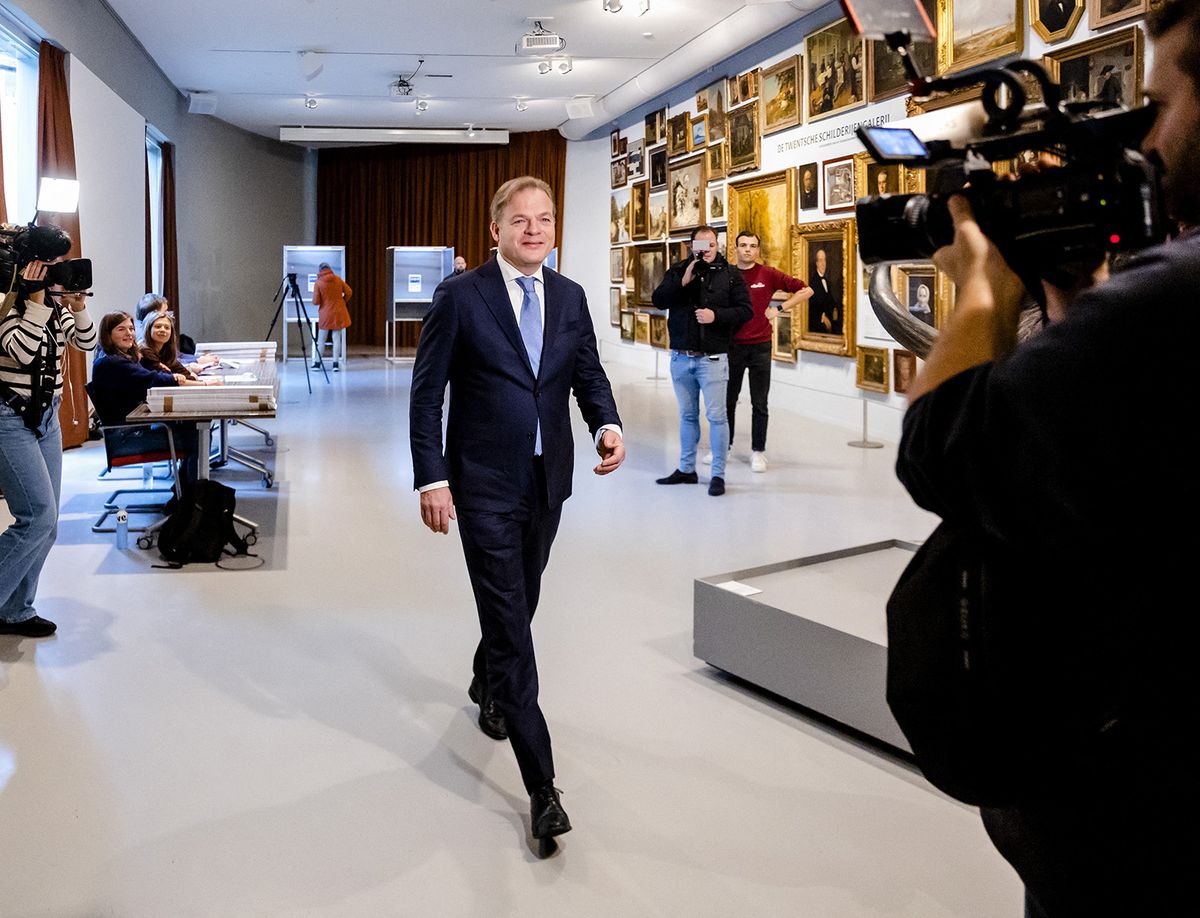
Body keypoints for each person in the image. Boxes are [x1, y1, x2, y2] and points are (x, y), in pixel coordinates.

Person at [895, 3, 1199, 913]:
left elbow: (939, 445)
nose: (1158, 133)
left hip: (1147, 828)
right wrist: (1075, 296)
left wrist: (984, 282)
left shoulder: (1178, 300)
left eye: (1166, 100)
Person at [409, 176, 624, 850]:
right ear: (495, 228)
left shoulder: (569, 296)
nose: (535, 230)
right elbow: (426, 395)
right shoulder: (460, 296)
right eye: (521, 220)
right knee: (513, 627)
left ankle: (483, 680)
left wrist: (606, 424)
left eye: (545, 219)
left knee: (519, 600)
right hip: (482, 483)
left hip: (547, 480)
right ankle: (543, 787)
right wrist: (431, 479)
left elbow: (585, 375)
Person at [0, 230, 96, 638]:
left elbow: (86, 342)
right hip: (9, 417)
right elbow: (19, 350)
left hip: (47, 418)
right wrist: (35, 302)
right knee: (37, 516)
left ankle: (16, 610)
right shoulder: (6, 304)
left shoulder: (53, 308)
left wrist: (77, 306)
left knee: (49, 523)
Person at [652, 225, 752, 496]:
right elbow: (658, 300)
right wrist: (683, 280)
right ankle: (686, 469)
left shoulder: (730, 274)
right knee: (686, 415)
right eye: (700, 245)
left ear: (717, 246)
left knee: (717, 417)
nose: (706, 250)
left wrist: (715, 316)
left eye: (711, 245)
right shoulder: (678, 270)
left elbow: (746, 311)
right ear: (691, 246)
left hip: (713, 358)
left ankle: (718, 474)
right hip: (681, 357)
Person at [90, 311, 209, 484]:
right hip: (127, 438)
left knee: (192, 427)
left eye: (131, 328)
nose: (129, 333)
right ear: (108, 334)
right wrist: (180, 379)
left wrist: (175, 376)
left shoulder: (118, 358)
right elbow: (153, 379)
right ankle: (191, 498)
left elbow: (149, 376)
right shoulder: (113, 363)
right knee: (198, 437)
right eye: (121, 329)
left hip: (132, 429)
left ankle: (186, 492)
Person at [726, 232, 812, 472]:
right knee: (728, 401)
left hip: (760, 346)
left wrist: (780, 308)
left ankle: (758, 452)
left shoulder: (769, 274)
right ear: (735, 248)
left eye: (752, 246)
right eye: (743, 245)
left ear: (758, 250)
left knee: (760, 403)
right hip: (732, 346)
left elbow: (806, 290)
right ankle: (725, 446)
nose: (747, 250)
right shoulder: (728, 274)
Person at [311, 261, 351, 371]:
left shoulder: (318, 283)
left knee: (321, 339)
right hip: (338, 312)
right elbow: (349, 291)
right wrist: (343, 301)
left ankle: (317, 363)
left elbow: (316, 301)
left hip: (325, 313)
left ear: (320, 270)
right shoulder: (337, 279)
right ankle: (335, 364)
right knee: (336, 338)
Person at [140, 312, 199, 379]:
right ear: (149, 330)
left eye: (167, 328)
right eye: (158, 326)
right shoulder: (144, 351)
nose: (163, 330)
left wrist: (190, 377)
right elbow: (169, 378)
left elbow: (184, 373)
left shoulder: (166, 351)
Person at [808, 247, 843, 335]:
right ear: (816, 263)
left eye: (824, 260)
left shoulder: (827, 281)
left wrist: (835, 309)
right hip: (817, 326)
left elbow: (829, 300)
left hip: (830, 322)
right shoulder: (812, 282)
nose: (823, 264)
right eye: (820, 260)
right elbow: (810, 308)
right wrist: (822, 317)